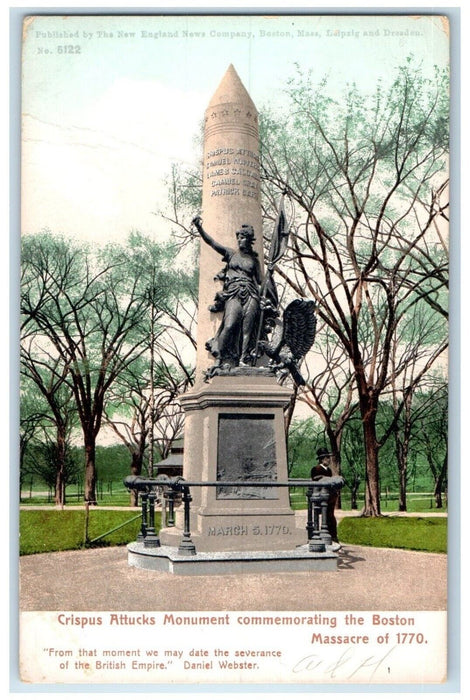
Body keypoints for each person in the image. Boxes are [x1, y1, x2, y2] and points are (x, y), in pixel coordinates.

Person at [192, 216, 265, 369]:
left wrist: (269, 273)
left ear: (249, 239)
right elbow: (212, 243)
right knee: (230, 325)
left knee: (247, 329)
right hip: (233, 292)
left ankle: (244, 360)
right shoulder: (231, 254)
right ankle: (219, 356)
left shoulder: (254, 260)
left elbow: (260, 281)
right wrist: (200, 229)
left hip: (251, 293)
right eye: (238, 237)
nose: (239, 240)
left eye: (243, 237)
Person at [310, 447, 339, 543]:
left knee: (330, 515)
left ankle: (333, 536)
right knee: (322, 515)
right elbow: (315, 479)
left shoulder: (329, 470)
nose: (329, 460)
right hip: (321, 496)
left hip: (330, 496)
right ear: (322, 459)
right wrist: (323, 477)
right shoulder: (316, 469)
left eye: (328, 457)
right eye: (327, 458)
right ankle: (320, 535)